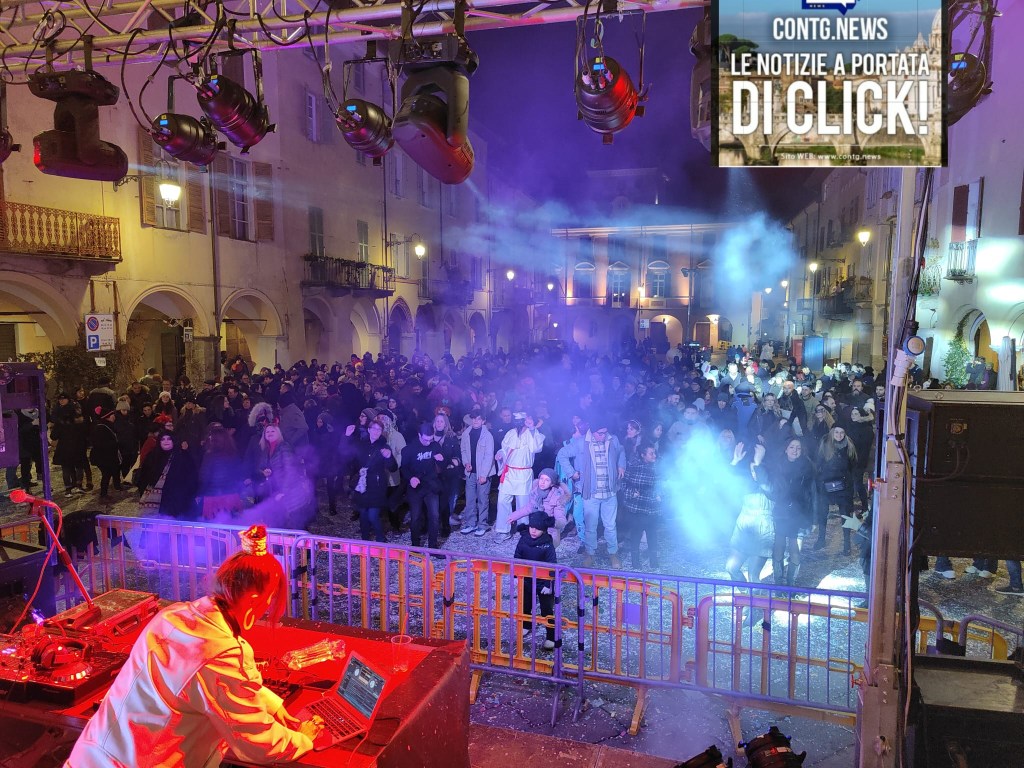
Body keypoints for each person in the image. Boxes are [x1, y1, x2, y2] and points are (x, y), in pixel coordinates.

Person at [64, 525, 323, 768]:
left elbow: (205, 684)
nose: (267, 609)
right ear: (254, 600)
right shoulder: (220, 653)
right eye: (269, 600)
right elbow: (258, 743)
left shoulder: (173, 616)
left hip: (91, 757)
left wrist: (272, 703)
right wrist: (303, 738)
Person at [556, 419, 626, 568]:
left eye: (605, 432)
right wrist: (571, 472)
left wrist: (621, 465)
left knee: (610, 526)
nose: (603, 436)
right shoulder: (581, 443)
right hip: (591, 493)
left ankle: (613, 553)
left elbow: (621, 451)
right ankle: (590, 553)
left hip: (610, 492)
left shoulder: (612, 439)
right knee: (590, 526)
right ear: (592, 432)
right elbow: (562, 454)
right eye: (600, 433)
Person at [514, 510, 558, 652]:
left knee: (546, 610)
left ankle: (551, 636)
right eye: (532, 527)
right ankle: (526, 625)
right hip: (527, 581)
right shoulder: (523, 539)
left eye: (537, 528)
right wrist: (516, 576)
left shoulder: (547, 544)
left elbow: (552, 564)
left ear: (544, 530)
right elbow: (517, 557)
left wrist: (548, 583)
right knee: (525, 605)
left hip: (543, 583)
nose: (533, 531)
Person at [494, 412, 545, 537]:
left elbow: (536, 448)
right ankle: (503, 530)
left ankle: (523, 529)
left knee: (523, 503)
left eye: (521, 421)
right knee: (502, 501)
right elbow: (504, 449)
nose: (518, 424)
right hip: (509, 473)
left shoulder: (533, 433)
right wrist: (500, 454)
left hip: (523, 473)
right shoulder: (510, 433)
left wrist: (532, 428)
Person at [352, 417, 398, 542]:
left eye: (379, 429)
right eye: (374, 428)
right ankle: (365, 540)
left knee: (372, 515)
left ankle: (380, 539)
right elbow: (351, 459)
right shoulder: (362, 444)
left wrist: (389, 457)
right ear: (369, 429)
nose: (376, 431)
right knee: (363, 514)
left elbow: (393, 468)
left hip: (377, 485)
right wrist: (346, 437)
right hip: (362, 484)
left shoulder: (384, 446)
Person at [401, 422, 444, 550]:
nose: (428, 442)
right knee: (415, 517)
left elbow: (442, 465)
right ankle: (415, 546)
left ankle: (433, 546)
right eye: (425, 439)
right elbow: (404, 468)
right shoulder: (410, 449)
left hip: (431, 485)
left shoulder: (435, 446)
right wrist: (411, 478)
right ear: (419, 435)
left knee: (434, 516)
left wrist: (441, 460)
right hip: (416, 487)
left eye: (430, 439)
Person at [620, 444, 661, 569]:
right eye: (651, 453)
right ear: (643, 455)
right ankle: (635, 562)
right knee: (636, 535)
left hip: (652, 508)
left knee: (652, 535)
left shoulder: (658, 468)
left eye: (654, 453)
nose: (654, 456)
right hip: (637, 508)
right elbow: (623, 484)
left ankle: (654, 561)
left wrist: (661, 494)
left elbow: (664, 485)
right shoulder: (634, 468)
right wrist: (632, 493)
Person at [459, 407, 495, 535]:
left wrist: (484, 474)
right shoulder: (466, 433)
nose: (475, 421)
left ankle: (482, 525)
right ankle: (471, 523)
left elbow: (489, 456)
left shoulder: (487, 436)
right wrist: (466, 463)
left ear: (483, 421)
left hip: (483, 473)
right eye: (474, 418)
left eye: (479, 419)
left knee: (482, 499)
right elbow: (463, 450)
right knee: (470, 499)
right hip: (470, 472)